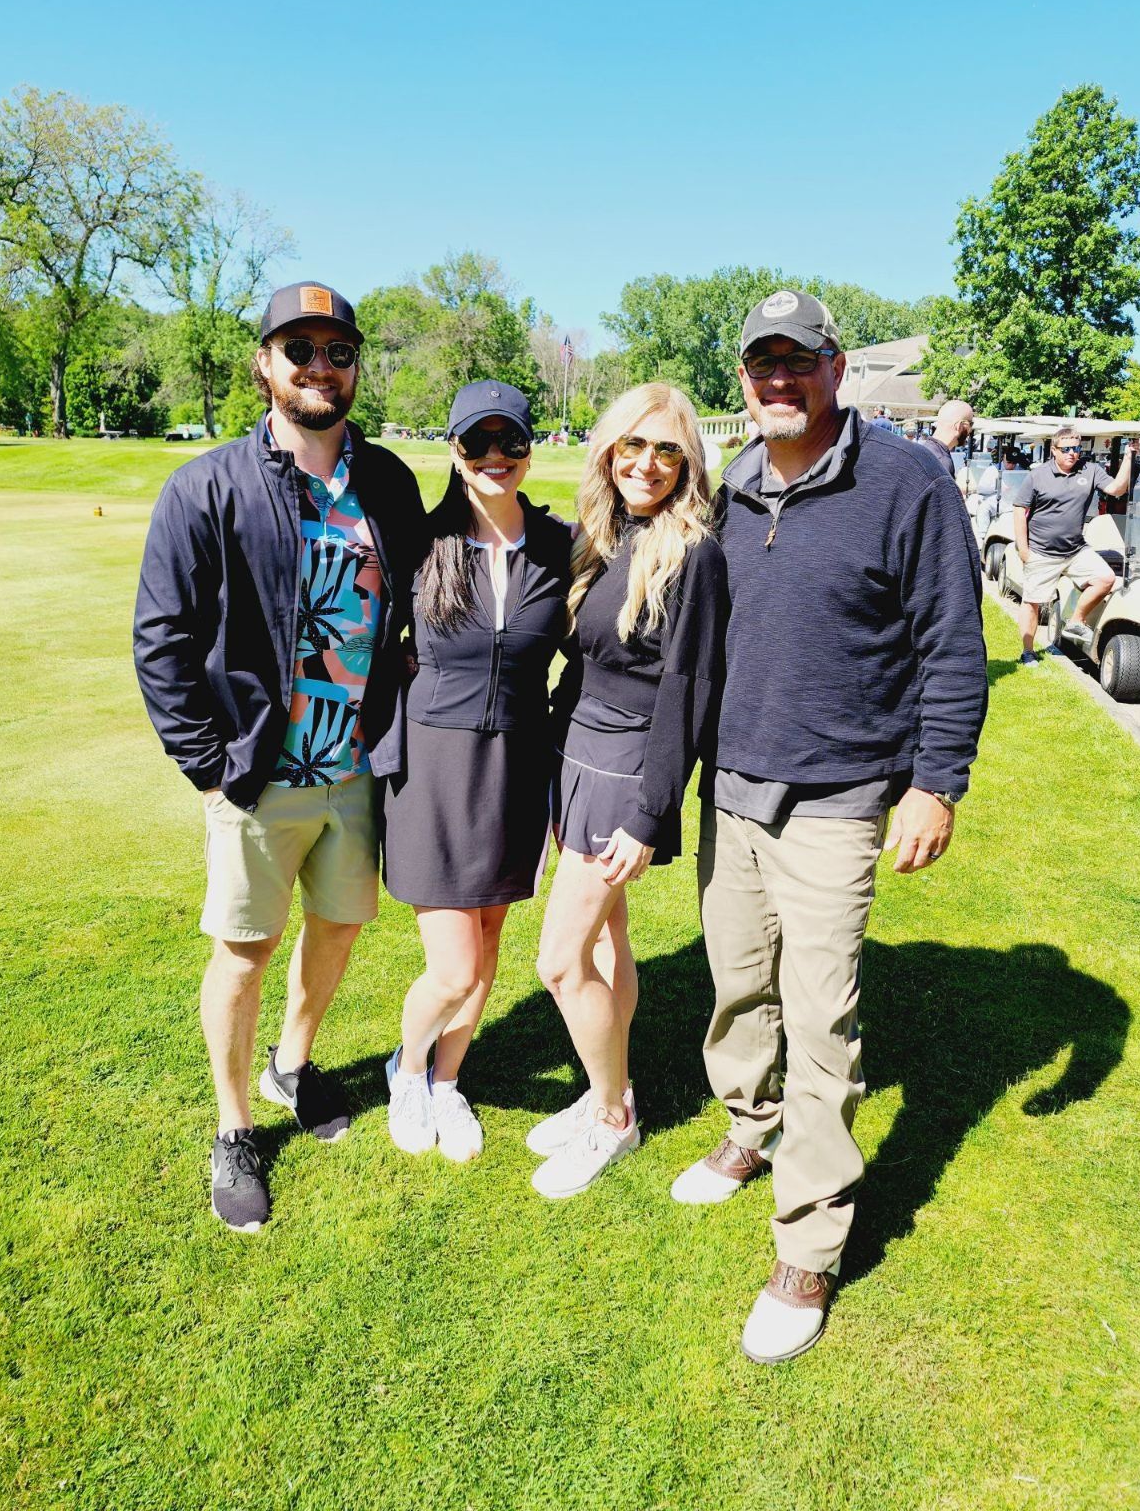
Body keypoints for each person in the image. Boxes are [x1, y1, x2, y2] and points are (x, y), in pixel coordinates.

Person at [671, 289, 988, 1364]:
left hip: (841, 795)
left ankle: (809, 1244)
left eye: (796, 363)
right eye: (761, 365)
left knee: (823, 1022)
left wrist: (935, 782)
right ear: (744, 378)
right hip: (735, 788)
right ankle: (749, 1131)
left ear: (835, 368)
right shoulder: (733, 483)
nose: (777, 381)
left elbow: (952, 642)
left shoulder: (909, 481)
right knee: (737, 983)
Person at [133, 282, 425, 1232]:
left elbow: (421, 604)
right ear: (264, 364)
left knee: (339, 929)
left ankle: (292, 1063)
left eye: (336, 351)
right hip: (258, 774)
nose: (318, 367)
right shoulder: (208, 485)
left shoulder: (385, 483)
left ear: (353, 368)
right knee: (246, 950)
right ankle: (232, 1129)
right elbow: (162, 639)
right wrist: (209, 763)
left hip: (355, 769)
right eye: (297, 349)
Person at [528, 383, 727, 1199]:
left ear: (688, 462)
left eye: (667, 450)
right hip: (578, 755)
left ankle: (612, 1118)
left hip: (625, 775)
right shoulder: (611, 536)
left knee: (559, 961)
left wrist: (652, 812)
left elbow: (690, 686)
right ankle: (609, 1089)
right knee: (609, 942)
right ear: (609, 452)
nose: (647, 463)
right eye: (632, 447)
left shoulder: (694, 552)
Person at [382, 381, 573, 1162]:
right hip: (431, 768)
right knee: (453, 963)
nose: (496, 456)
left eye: (512, 441)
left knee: (489, 941)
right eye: (477, 442)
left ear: (529, 450)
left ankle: (448, 1081)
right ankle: (407, 1066)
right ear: (455, 452)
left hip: (517, 765)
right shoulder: (419, 542)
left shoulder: (562, 546)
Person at [1012, 425, 1140, 663]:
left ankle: (1076, 621)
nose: (1072, 453)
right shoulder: (1038, 475)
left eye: (1077, 448)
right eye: (1067, 449)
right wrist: (1024, 549)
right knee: (1032, 603)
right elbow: (1020, 510)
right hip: (1041, 551)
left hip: (1076, 549)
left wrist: (1129, 456)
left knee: (1106, 578)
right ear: (1054, 450)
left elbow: (1117, 489)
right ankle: (1028, 652)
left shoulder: (1090, 470)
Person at [927, 399, 974, 477]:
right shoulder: (942, 462)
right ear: (960, 426)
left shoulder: (922, 449)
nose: (971, 430)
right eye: (971, 424)